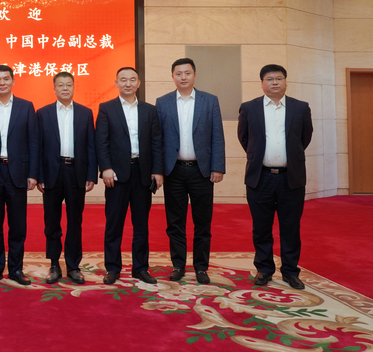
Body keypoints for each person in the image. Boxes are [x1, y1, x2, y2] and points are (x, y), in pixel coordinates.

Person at [238, 64, 313, 290]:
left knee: (291, 227)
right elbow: (244, 138)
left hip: (291, 178)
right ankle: (264, 269)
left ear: (285, 82)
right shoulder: (249, 108)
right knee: (261, 226)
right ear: (262, 83)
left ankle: (290, 271)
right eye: (269, 79)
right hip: (260, 177)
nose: (275, 82)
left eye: (279, 78)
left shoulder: (300, 108)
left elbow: (305, 138)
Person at [155, 58, 225, 284]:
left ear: (194, 75)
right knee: (175, 221)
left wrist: (217, 166)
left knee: (202, 222)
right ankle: (178, 265)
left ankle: (201, 267)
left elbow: (217, 135)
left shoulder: (209, 101)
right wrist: (158, 170)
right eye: (178, 73)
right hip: (173, 171)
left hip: (201, 171)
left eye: (187, 73)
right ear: (172, 77)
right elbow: (158, 140)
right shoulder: (162, 102)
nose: (183, 77)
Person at [95, 67, 163, 285]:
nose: (128, 83)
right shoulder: (106, 108)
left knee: (141, 225)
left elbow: (156, 142)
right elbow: (101, 141)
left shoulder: (149, 110)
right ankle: (112, 268)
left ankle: (140, 268)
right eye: (123, 80)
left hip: (142, 174)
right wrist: (105, 168)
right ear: (116, 83)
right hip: (116, 175)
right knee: (114, 224)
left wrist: (157, 170)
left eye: (132, 79)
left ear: (138, 83)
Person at [0, 64, 39, 286]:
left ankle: (16, 269)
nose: (2, 83)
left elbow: (33, 142)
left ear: (13, 81)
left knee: (17, 225)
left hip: (17, 172)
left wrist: (33, 173)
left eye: (6, 79)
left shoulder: (26, 107)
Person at [37, 71, 97, 285]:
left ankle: (73, 265)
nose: (65, 88)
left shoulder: (85, 113)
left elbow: (91, 145)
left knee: (75, 221)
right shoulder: (43, 113)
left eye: (68, 85)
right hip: (51, 173)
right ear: (54, 88)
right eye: (60, 85)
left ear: (73, 87)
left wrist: (91, 174)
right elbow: (38, 147)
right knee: (52, 221)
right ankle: (54, 264)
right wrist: (39, 175)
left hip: (76, 172)